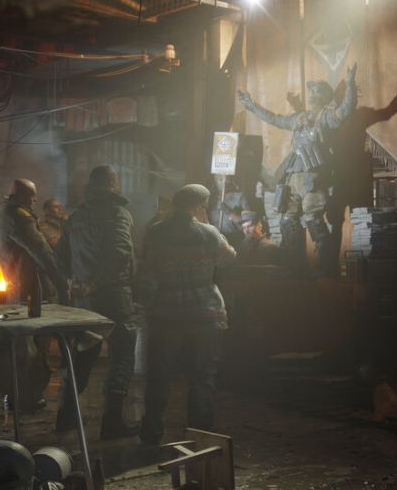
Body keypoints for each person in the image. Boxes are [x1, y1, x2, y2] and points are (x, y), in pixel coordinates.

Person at [136, 184, 236, 445]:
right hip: (207, 316)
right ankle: (200, 437)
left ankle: (152, 433)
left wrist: (148, 308)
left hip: (167, 316)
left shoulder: (157, 232)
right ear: (198, 207)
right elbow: (227, 258)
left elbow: (149, 276)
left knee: (160, 375)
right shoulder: (207, 232)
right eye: (205, 207)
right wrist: (209, 226)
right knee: (203, 378)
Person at [237, 63, 358, 277]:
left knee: (314, 221)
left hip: (313, 177)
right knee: (288, 221)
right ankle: (296, 268)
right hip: (292, 177)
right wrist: (252, 104)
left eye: (315, 90)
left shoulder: (327, 116)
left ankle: (326, 270)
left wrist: (350, 84)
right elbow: (274, 118)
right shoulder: (299, 118)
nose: (310, 93)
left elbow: (347, 109)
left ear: (324, 96)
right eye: (310, 90)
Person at [55, 165, 138, 440]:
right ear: (113, 185)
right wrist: (96, 282)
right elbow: (122, 253)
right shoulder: (118, 213)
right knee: (122, 354)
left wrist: (70, 280)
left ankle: (65, 417)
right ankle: (112, 421)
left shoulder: (76, 217)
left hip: (85, 300)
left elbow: (60, 255)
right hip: (115, 297)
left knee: (82, 353)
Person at [0, 179, 68, 308]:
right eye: (33, 195)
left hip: (18, 288)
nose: (35, 199)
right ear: (21, 197)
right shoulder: (20, 217)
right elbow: (42, 252)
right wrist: (63, 283)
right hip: (29, 290)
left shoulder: (6, 212)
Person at [208, 175, 252, 248]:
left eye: (227, 179)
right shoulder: (211, 200)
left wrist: (230, 212)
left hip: (235, 241)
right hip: (215, 242)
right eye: (221, 179)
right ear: (215, 182)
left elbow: (249, 224)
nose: (225, 181)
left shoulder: (240, 197)